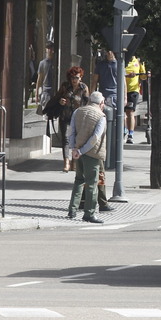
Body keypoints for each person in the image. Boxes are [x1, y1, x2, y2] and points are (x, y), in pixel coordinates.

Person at [66, 91, 107, 224]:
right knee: (91, 183)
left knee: (78, 180)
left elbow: (71, 131)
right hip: (92, 154)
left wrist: (74, 149)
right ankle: (89, 213)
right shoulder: (101, 116)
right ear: (101, 103)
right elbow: (96, 137)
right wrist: (82, 151)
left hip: (77, 152)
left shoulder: (77, 111)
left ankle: (72, 210)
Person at [55, 66, 89, 173]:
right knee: (65, 139)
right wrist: (60, 101)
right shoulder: (65, 86)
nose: (74, 80)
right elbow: (57, 97)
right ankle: (66, 162)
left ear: (81, 78)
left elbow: (88, 102)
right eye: (72, 78)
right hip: (65, 115)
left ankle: (74, 162)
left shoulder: (84, 88)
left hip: (78, 118)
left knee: (76, 140)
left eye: (77, 78)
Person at [124, 56, 147, 144]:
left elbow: (143, 77)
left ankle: (130, 134)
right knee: (121, 113)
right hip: (121, 90)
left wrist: (144, 73)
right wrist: (127, 75)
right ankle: (123, 130)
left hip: (133, 91)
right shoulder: (122, 60)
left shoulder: (138, 61)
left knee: (130, 112)